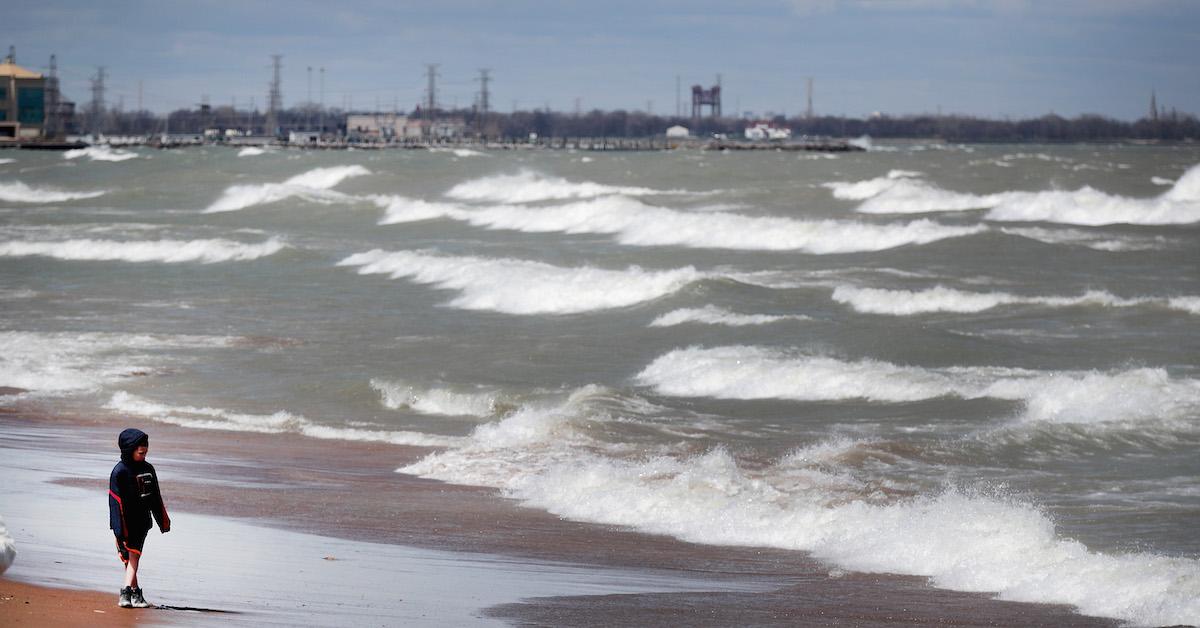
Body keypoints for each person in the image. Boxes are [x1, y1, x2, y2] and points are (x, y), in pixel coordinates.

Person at [108, 428, 171, 608]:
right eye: (140, 451)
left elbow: (155, 497)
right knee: (129, 559)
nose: (143, 454)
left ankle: (128, 593)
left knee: (134, 556)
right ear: (129, 450)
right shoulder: (119, 472)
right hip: (123, 523)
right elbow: (114, 501)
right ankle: (133, 594)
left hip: (141, 522)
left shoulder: (148, 469)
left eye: (145, 451)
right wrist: (117, 528)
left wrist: (163, 521)